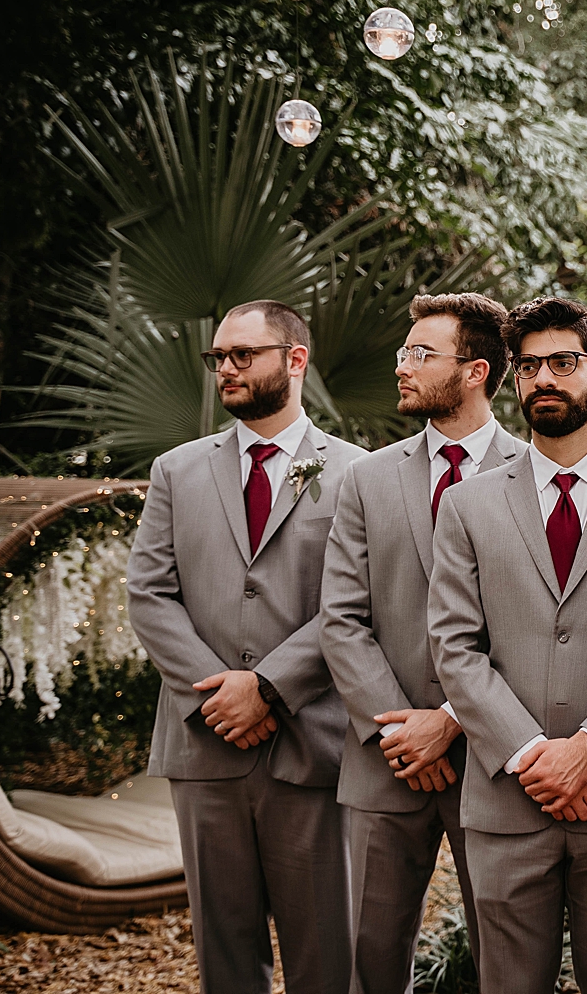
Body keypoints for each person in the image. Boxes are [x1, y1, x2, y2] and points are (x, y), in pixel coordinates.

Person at [428, 297, 587, 994]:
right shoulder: (467, 504)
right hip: (507, 799)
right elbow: (454, 646)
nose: (543, 379)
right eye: (529, 366)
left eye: (563, 363)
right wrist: (533, 755)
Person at [127, 300, 368, 994]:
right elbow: (149, 593)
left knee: (328, 954)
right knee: (224, 955)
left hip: (314, 744)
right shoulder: (176, 470)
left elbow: (358, 603)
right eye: (218, 357)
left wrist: (267, 687)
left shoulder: (358, 473)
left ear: (295, 360)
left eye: (243, 355)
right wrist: (218, 692)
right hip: (204, 745)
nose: (225, 369)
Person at [319, 293, 524, 993]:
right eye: (403, 352)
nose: (401, 367)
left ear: (475, 371)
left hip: (496, 759)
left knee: (508, 964)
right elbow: (340, 617)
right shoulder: (365, 479)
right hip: (387, 760)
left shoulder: (535, 474)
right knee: (370, 962)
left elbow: (535, 626)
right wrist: (401, 731)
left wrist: (454, 720)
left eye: (420, 354)